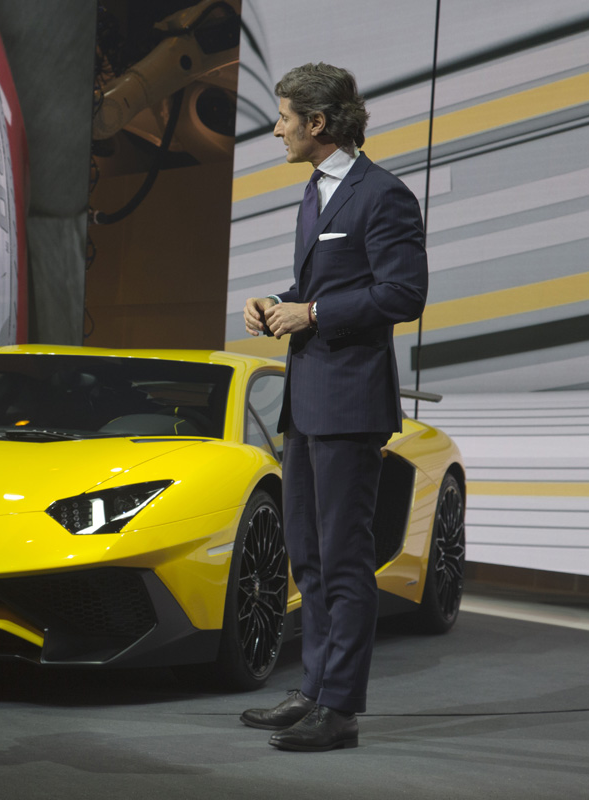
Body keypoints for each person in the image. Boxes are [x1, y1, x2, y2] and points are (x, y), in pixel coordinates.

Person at [239, 63, 428, 752]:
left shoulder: (383, 195)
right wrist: (278, 302)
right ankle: (313, 690)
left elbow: (403, 294)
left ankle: (340, 708)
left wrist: (313, 312)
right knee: (309, 557)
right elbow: (324, 283)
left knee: (344, 559)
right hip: (309, 401)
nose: (277, 129)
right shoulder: (316, 191)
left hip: (350, 405)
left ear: (317, 123)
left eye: (285, 116)